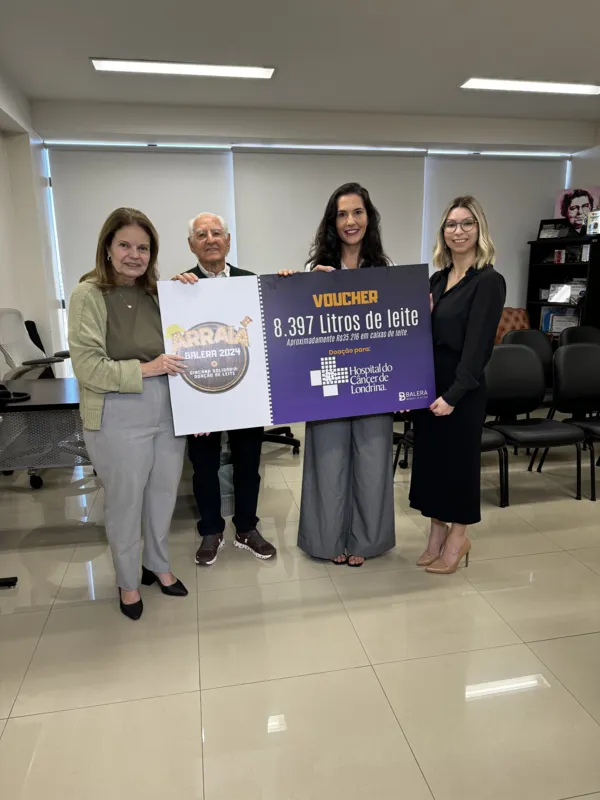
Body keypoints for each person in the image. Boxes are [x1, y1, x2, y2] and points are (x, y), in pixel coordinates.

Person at [68, 207, 188, 621]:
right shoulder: (88, 294)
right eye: (125, 245)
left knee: (163, 493)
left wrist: (191, 291)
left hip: (169, 406)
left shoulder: (159, 292)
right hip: (119, 408)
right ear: (107, 246)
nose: (134, 255)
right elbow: (87, 367)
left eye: (143, 247)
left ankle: (157, 563)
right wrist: (148, 368)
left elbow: (187, 343)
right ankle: (127, 581)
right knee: (124, 501)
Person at [284, 182, 395, 566]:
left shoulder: (385, 273)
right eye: (342, 214)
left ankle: (365, 542)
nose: (351, 221)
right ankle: (328, 540)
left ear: (369, 217)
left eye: (358, 212)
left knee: (371, 465)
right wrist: (294, 285)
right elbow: (296, 324)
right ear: (333, 222)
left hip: (373, 384)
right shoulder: (317, 271)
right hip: (328, 385)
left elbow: (398, 332)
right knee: (328, 465)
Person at [173, 213, 277, 567]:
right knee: (203, 467)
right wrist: (174, 293)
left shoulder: (252, 283)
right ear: (191, 245)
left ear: (228, 241)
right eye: (201, 234)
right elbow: (175, 338)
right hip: (201, 393)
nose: (210, 239)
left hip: (245, 392)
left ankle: (246, 528)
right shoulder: (181, 288)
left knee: (249, 463)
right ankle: (211, 530)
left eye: (216, 233)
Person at [409, 195, 506, 574]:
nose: (458, 231)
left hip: (460, 390)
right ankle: (435, 536)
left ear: (479, 230)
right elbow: (417, 335)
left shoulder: (489, 282)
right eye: (451, 224)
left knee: (458, 467)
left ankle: (458, 539)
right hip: (429, 384)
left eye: (467, 223)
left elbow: (479, 346)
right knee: (432, 466)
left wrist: (453, 395)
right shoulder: (435, 280)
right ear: (443, 233)